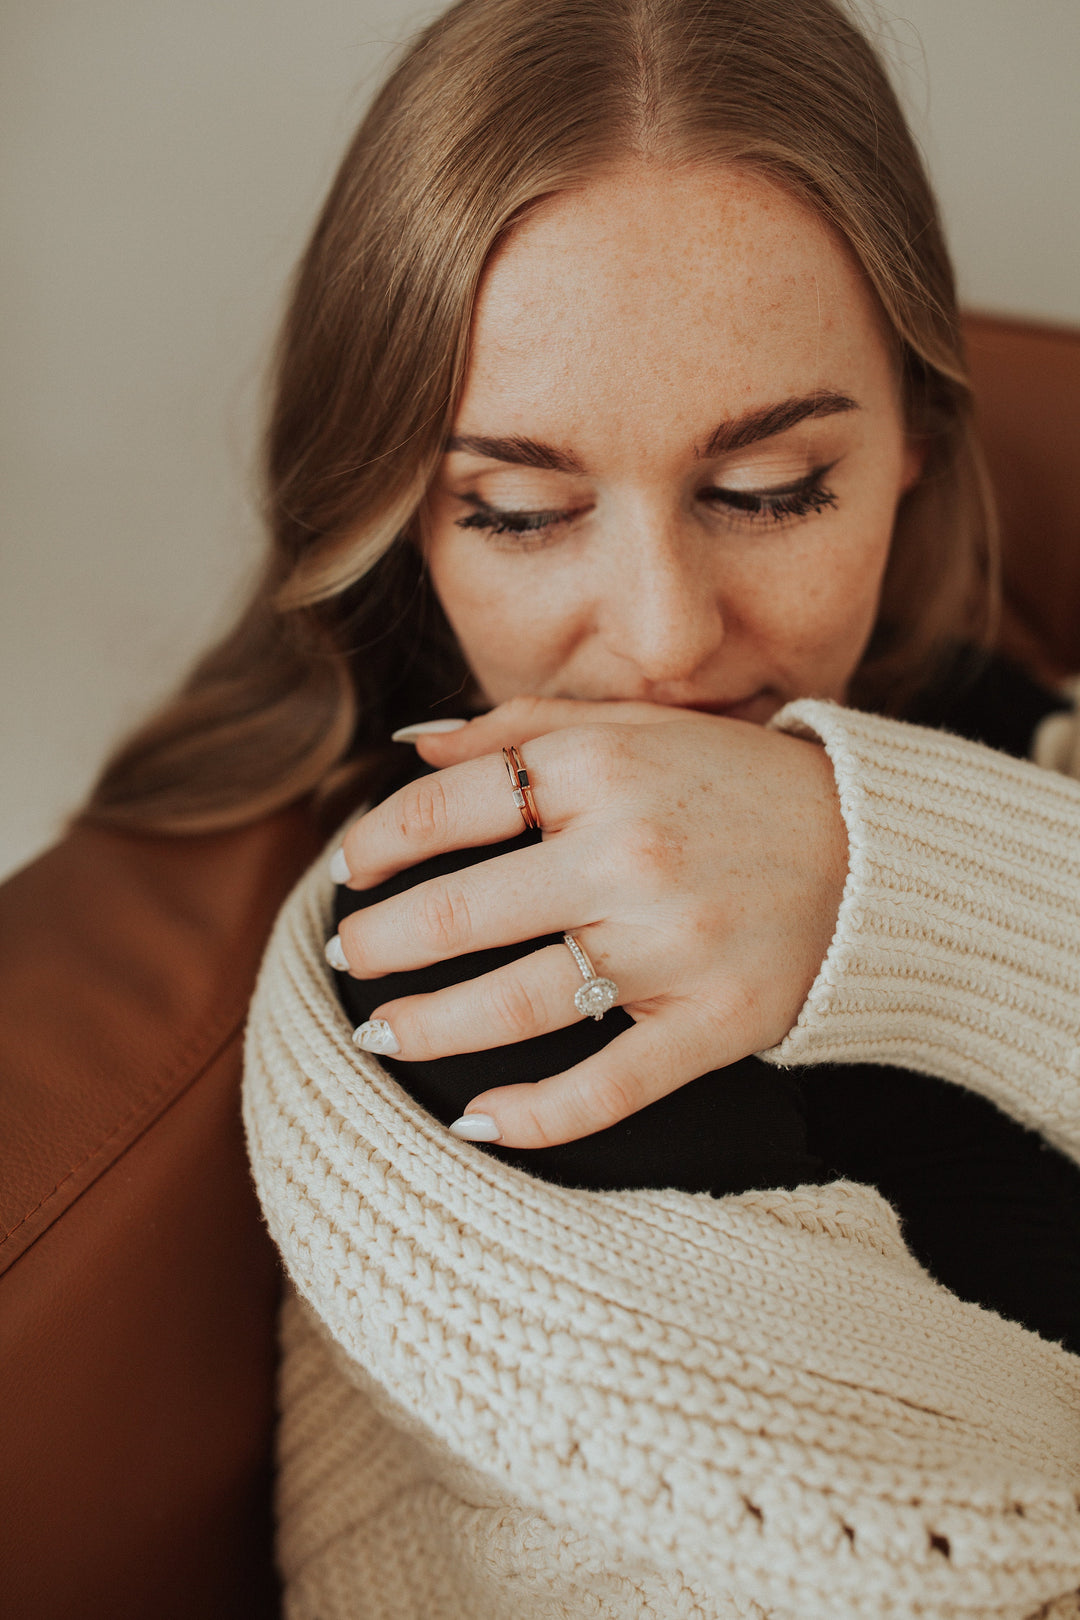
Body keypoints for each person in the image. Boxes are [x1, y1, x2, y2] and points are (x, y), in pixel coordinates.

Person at [48, 0, 1080, 1613]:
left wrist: (891, 874)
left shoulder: (1010, 728)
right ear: (406, 524)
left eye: (767, 491)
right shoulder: (461, 954)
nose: (665, 634)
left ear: (917, 451)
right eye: (522, 511)